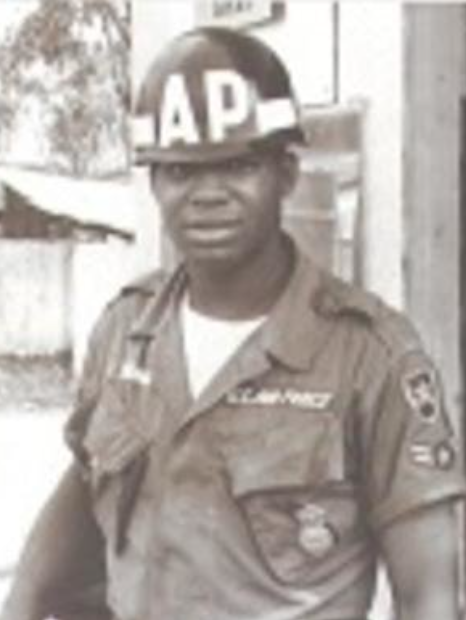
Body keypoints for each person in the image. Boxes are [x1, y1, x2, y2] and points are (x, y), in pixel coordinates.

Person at [1, 26, 465, 620]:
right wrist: (22, 603)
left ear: (286, 175)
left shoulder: (372, 356)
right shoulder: (125, 332)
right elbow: (85, 482)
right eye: (181, 172)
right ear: (155, 184)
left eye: (238, 166)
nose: (208, 194)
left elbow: (429, 594)